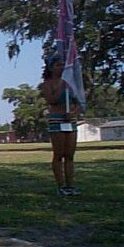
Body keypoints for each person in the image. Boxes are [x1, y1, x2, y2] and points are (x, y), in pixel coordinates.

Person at [41, 55, 80, 196]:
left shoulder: (71, 84)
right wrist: (61, 84)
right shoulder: (46, 84)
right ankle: (60, 186)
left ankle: (70, 185)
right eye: (58, 65)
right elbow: (52, 100)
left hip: (70, 121)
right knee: (59, 154)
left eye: (63, 65)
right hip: (57, 120)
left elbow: (78, 102)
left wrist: (73, 113)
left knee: (69, 155)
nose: (62, 67)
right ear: (51, 68)